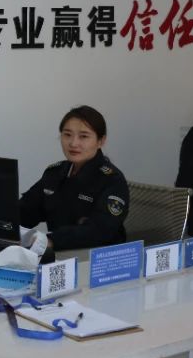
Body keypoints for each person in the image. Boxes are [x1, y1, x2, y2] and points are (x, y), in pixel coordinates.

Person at [18, 105, 129, 259]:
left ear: (101, 141)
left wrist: (51, 240)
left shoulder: (112, 179)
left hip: (98, 261)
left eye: (84, 136)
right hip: (59, 256)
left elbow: (100, 231)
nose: (73, 143)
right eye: (67, 135)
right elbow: (26, 212)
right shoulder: (54, 173)